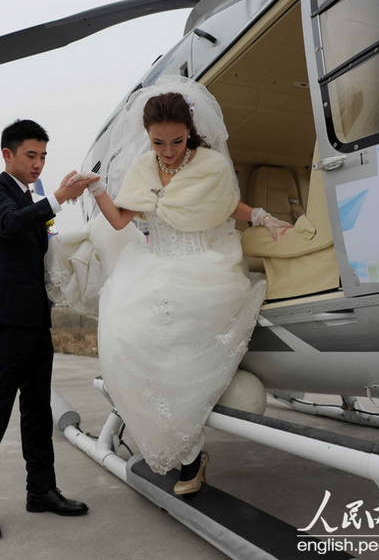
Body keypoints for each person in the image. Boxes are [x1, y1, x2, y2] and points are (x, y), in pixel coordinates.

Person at [77, 77, 289, 495]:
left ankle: (191, 453)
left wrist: (263, 218)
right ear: (149, 138)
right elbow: (121, 220)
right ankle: (180, 448)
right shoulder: (142, 169)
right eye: (158, 143)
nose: (168, 151)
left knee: (178, 345)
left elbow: (228, 205)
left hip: (202, 265)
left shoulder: (210, 165)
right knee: (124, 334)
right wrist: (98, 188)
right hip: (154, 263)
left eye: (176, 141)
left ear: (190, 130)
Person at [0, 119, 97, 541]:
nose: (38, 163)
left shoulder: (33, 196)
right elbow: (8, 224)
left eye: (43, 156)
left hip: (37, 318)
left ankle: (41, 490)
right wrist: (57, 198)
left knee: (38, 408)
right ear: (8, 155)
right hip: (6, 320)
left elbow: (42, 243)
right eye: (31, 155)